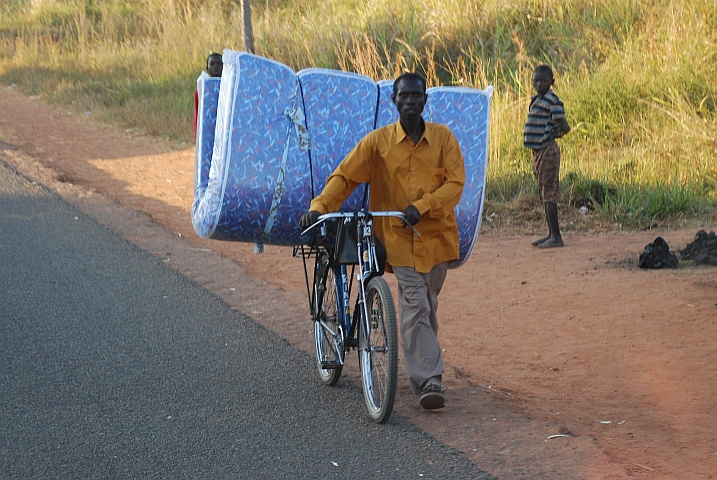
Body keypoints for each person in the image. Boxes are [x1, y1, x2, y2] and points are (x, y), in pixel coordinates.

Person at [299, 73, 465, 410]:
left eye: (416, 96)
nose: (410, 102)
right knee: (416, 305)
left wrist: (422, 207)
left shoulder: (444, 139)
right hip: (398, 238)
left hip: (438, 240)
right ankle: (429, 381)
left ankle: (424, 363)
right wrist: (319, 207)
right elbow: (345, 177)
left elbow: (455, 184)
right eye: (403, 96)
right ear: (394, 100)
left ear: (424, 101)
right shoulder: (378, 142)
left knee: (427, 306)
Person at [523, 64, 571, 248]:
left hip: (548, 150)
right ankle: (551, 234)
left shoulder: (552, 101)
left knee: (549, 194)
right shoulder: (537, 100)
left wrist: (553, 133)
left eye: (543, 81)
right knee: (544, 193)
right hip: (539, 152)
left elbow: (564, 127)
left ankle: (556, 237)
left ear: (552, 82)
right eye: (536, 81)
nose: (539, 84)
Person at [194, 52, 223, 138]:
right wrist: (197, 132)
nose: (216, 66)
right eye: (212, 64)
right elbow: (198, 112)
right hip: (208, 131)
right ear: (207, 68)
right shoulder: (202, 89)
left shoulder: (230, 86)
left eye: (219, 64)